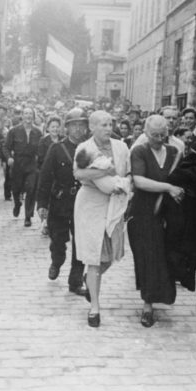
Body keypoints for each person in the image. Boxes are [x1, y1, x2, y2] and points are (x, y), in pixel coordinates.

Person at [73, 110, 130, 328]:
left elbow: (129, 172)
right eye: (103, 125)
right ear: (92, 127)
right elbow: (79, 174)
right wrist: (106, 172)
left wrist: (124, 184)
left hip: (114, 205)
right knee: (94, 256)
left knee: (110, 255)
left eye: (110, 124)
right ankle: (94, 307)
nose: (109, 128)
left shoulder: (121, 147)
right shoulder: (85, 148)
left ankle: (90, 280)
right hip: (91, 205)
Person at [128, 115, 184, 327]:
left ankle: (162, 296)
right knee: (149, 258)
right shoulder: (139, 151)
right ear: (145, 132)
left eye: (163, 135)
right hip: (144, 214)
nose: (159, 139)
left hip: (168, 213)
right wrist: (168, 188)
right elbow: (140, 181)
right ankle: (147, 305)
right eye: (154, 135)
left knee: (166, 256)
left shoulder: (174, 152)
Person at [37, 108, 89, 296]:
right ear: (66, 128)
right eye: (73, 125)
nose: (77, 129)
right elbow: (45, 177)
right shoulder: (57, 148)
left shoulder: (90, 148)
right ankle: (56, 261)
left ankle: (75, 281)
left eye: (81, 125)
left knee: (81, 243)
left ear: (86, 127)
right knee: (58, 239)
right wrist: (42, 203)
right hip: (60, 202)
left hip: (84, 203)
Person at [3, 107, 43, 227]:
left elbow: (41, 149)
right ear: (22, 116)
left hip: (31, 163)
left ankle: (28, 216)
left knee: (31, 189)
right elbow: (6, 147)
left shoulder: (37, 132)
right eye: (26, 113)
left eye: (30, 114)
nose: (28, 116)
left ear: (33, 116)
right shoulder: (14, 131)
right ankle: (17, 203)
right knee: (16, 188)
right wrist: (9, 157)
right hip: (17, 163)